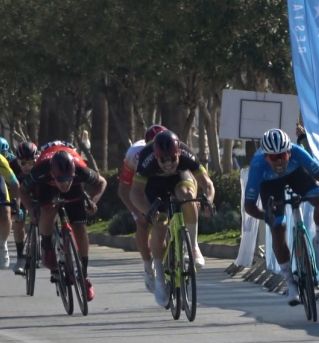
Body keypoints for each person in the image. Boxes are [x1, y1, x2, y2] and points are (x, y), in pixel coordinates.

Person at [243, 128, 319, 306]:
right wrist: (266, 216)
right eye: (273, 157)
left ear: (289, 152)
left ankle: (318, 241)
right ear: (265, 157)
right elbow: (249, 206)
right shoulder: (258, 165)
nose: (278, 161)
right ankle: (290, 282)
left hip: (296, 174)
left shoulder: (298, 152)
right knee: (278, 227)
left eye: (282, 156)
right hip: (270, 184)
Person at [130, 130, 215, 307]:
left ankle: (193, 247)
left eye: (173, 159)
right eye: (163, 160)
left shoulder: (186, 154)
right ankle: (159, 277)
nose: (168, 164)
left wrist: (208, 200)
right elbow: (135, 193)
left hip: (179, 179)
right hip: (153, 186)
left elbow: (207, 183)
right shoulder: (147, 160)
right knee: (160, 223)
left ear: (178, 153)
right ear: (156, 156)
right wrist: (149, 211)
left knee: (187, 197)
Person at [19, 141, 107, 301]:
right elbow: (22, 191)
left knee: (79, 226)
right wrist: (31, 210)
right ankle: (47, 246)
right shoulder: (41, 170)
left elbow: (102, 182)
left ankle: (84, 276)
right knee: (47, 211)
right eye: (61, 180)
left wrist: (93, 201)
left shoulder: (80, 169)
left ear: (73, 173)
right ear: (53, 175)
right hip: (47, 187)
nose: (65, 184)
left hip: (75, 185)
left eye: (68, 179)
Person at [117, 124, 167, 292]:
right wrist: (136, 212)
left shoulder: (174, 145)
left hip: (164, 183)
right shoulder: (134, 154)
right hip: (141, 188)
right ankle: (147, 265)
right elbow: (124, 189)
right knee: (143, 222)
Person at [9, 141, 39, 274]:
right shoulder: (11, 166)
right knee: (18, 220)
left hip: (37, 191)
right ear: (17, 160)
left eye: (31, 163)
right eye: (23, 163)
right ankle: (20, 255)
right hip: (19, 194)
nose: (27, 167)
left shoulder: (41, 165)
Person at [0, 138, 21, 269]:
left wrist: (16, 205)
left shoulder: (1, 161)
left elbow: (14, 183)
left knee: (5, 212)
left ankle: (2, 244)